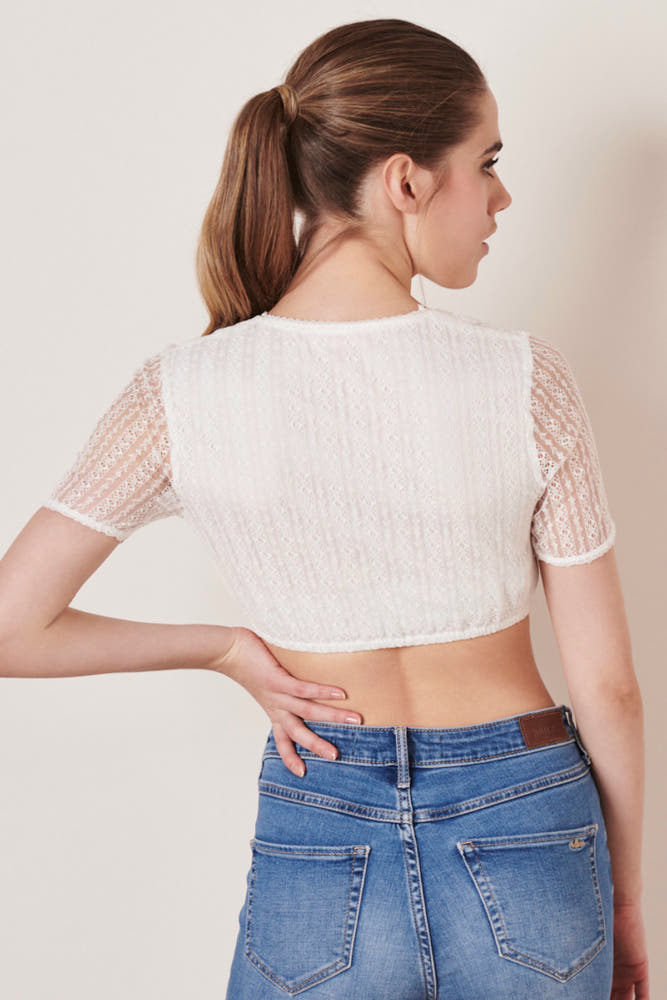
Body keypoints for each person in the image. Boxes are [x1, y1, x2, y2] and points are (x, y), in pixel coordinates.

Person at [0, 17, 649, 1000]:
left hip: (320, 820)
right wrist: (623, 899)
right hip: (527, 823)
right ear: (405, 181)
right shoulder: (526, 380)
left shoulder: (181, 392)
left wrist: (226, 650)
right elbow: (608, 689)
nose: (501, 196)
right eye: (486, 162)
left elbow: (12, 625)